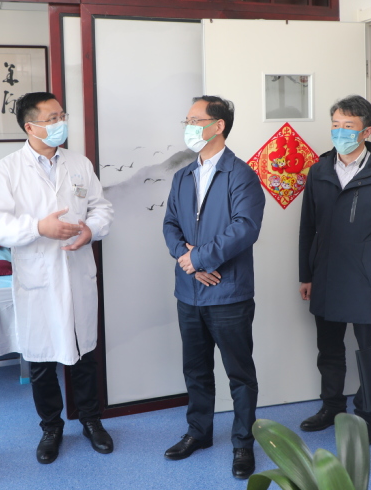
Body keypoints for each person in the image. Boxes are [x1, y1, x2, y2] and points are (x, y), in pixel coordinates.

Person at [0, 92, 114, 465]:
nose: (61, 123)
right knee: (41, 361)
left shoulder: (78, 163)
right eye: (52, 118)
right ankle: (51, 428)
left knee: (85, 353)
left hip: (77, 270)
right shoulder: (7, 169)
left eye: (62, 116)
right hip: (38, 277)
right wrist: (39, 227)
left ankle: (90, 420)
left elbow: (101, 207)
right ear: (31, 126)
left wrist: (90, 229)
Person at [162, 96, 266, 480]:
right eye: (187, 120)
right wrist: (188, 259)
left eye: (195, 120)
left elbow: (245, 228)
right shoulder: (183, 176)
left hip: (228, 293)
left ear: (218, 126)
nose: (188, 126)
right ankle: (199, 432)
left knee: (239, 374)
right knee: (196, 369)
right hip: (189, 292)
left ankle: (243, 443)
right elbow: (170, 225)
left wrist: (201, 258)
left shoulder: (242, 175)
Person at [297, 95, 371, 444]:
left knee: (370, 354)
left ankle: (366, 414)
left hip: (367, 281)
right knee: (328, 350)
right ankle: (331, 406)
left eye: (348, 126)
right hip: (326, 276)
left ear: (366, 131)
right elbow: (307, 226)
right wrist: (306, 275)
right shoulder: (319, 171)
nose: (340, 132)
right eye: (336, 125)